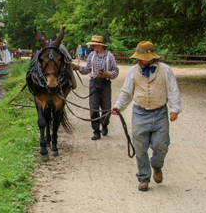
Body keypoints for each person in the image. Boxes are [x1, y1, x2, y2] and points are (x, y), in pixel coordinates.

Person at [111, 41, 181, 192]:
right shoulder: (133, 71)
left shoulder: (165, 70)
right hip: (140, 113)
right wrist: (118, 106)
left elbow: (173, 90)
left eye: (142, 58)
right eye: (138, 58)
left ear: (151, 58)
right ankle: (143, 178)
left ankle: (156, 165)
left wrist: (174, 109)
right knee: (140, 147)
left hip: (160, 112)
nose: (139, 61)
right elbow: (126, 92)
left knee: (161, 145)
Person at [71, 35, 119, 140]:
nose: (92, 47)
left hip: (105, 83)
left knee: (106, 108)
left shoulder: (109, 56)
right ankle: (96, 131)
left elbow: (115, 71)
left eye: (94, 45)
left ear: (99, 45)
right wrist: (78, 67)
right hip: (93, 82)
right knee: (93, 107)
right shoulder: (91, 55)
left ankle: (105, 124)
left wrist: (107, 74)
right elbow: (87, 69)